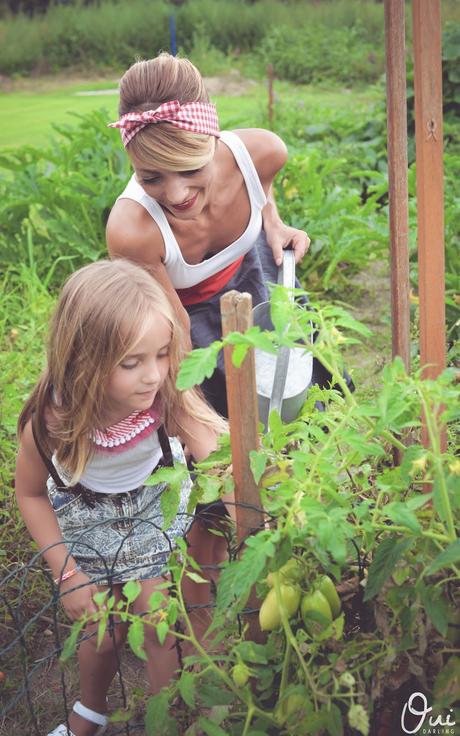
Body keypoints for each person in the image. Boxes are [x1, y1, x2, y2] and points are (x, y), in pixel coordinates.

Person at [15, 259, 228, 736]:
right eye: (131, 363)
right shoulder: (49, 426)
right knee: (100, 632)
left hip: (151, 509)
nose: (152, 376)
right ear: (82, 360)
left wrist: (240, 482)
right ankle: (91, 709)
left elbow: (215, 446)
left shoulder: (165, 396)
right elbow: (30, 495)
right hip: (87, 521)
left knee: (157, 620)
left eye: (160, 355)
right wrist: (67, 573)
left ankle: (166, 718)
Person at [106, 52, 314, 417]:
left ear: (213, 143)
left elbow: (259, 186)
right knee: (232, 418)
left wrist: (272, 219)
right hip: (189, 314)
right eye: (151, 177)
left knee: (303, 388)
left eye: (189, 168)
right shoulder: (132, 231)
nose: (175, 195)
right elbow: (176, 329)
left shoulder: (264, 152)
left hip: (254, 275)